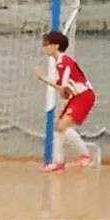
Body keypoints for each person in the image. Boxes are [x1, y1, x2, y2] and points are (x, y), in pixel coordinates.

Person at [35, 31, 96, 173]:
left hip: (84, 96)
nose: (45, 47)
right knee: (59, 127)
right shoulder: (61, 63)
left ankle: (85, 156)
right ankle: (59, 162)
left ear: (56, 46)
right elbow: (64, 89)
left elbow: (62, 87)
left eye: (47, 44)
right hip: (77, 97)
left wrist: (44, 78)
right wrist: (64, 91)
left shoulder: (64, 62)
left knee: (62, 126)